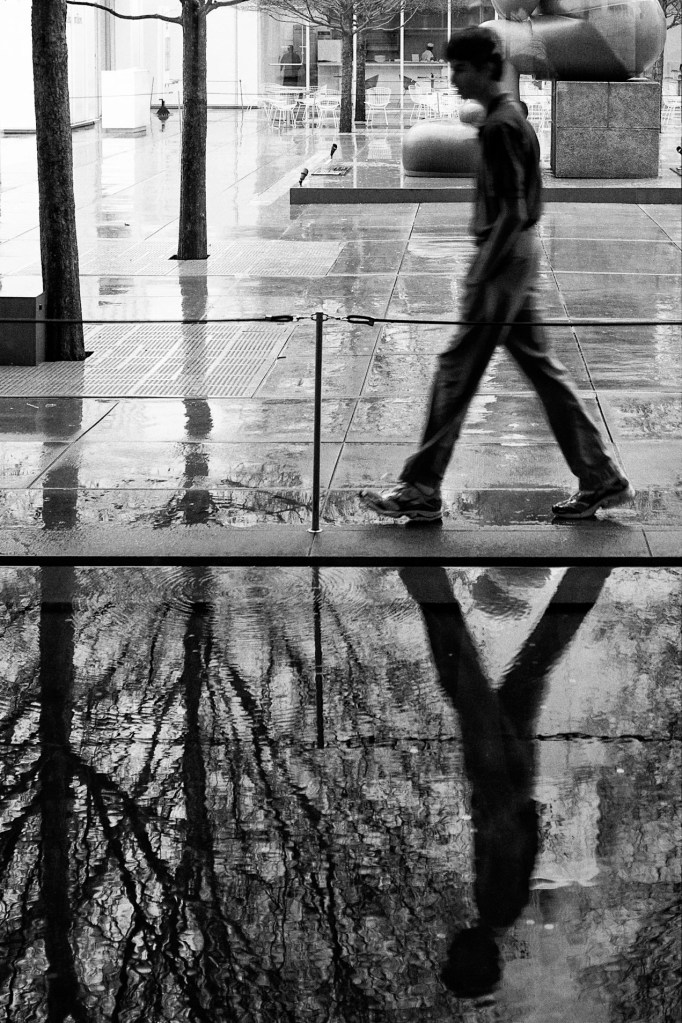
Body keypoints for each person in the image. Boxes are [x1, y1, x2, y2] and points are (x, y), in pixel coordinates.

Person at [360, 27, 634, 522]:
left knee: (456, 370)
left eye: (460, 69)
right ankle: (600, 477)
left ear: (487, 68)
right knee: (542, 373)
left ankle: (420, 488)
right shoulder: (510, 120)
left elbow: (511, 212)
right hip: (516, 258)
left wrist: (481, 273)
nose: (454, 79)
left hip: (502, 262)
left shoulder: (501, 127)